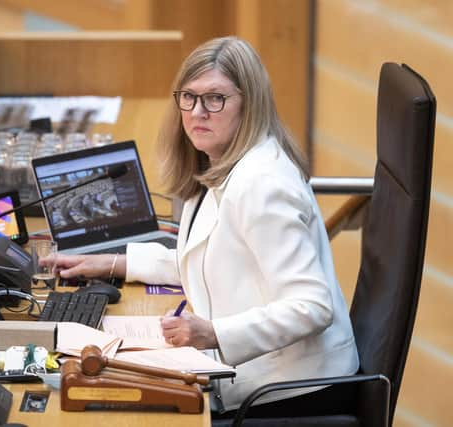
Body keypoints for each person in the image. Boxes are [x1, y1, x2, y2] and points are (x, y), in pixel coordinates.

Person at [51, 36, 359, 417]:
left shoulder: (263, 185)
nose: (198, 112)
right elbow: (214, 259)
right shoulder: (221, 161)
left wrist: (214, 333)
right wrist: (114, 264)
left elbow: (311, 307)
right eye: (189, 97)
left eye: (215, 99)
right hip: (262, 377)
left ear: (249, 104)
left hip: (293, 391)